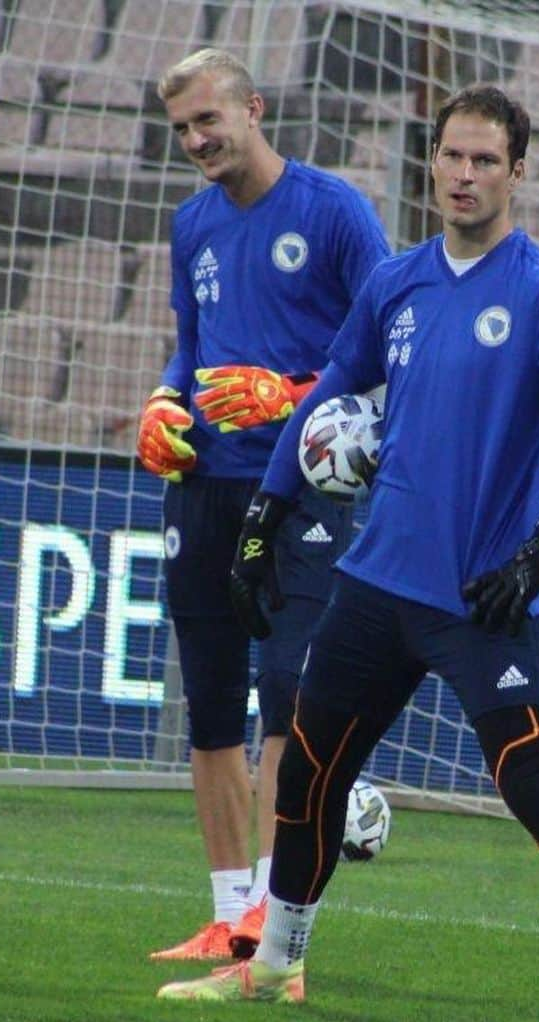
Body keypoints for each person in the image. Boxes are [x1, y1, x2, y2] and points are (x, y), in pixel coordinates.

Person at [157, 84, 539, 1022]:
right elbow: (327, 397)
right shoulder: (399, 281)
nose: (464, 177)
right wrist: (266, 514)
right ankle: (274, 966)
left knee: (535, 781)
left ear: (519, 171)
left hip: (481, 596)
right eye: (451, 158)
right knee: (309, 773)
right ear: (431, 162)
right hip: (376, 582)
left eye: (485, 161)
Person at [136, 48, 390, 962]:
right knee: (209, 705)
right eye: (181, 131)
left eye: (208, 120)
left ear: (253, 107)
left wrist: (293, 396)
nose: (197, 141)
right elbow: (188, 346)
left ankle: (272, 926)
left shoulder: (334, 213)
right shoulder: (192, 224)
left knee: (288, 702)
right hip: (202, 483)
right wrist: (165, 401)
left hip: (302, 489)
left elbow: (394, 347)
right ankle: (224, 911)